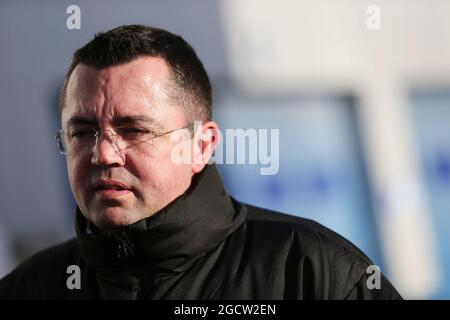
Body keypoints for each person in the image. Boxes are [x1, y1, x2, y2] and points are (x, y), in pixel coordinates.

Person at [0, 25, 402, 300]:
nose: (103, 154)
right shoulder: (28, 288)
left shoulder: (311, 273)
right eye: (82, 132)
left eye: (134, 130)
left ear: (202, 145)